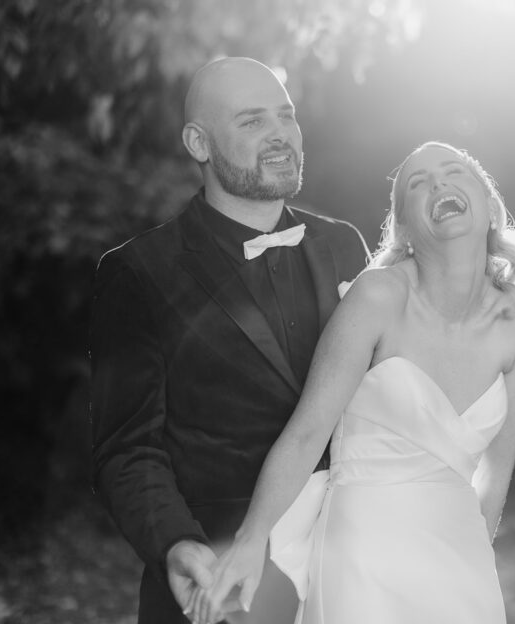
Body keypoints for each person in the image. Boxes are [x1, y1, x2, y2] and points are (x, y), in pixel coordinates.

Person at [190, 141, 515, 624]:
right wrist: (251, 541)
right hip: (362, 549)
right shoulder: (377, 297)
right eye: (418, 183)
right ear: (406, 231)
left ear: (489, 209)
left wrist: (474, 568)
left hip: (459, 560)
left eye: (454, 172)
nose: (439, 183)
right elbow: (306, 431)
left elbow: (496, 472)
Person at [89, 57, 369, 624]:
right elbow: (127, 447)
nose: (280, 135)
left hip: (351, 567)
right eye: (251, 122)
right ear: (199, 142)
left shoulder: (344, 247)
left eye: (285, 116)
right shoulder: (139, 272)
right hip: (219, 578)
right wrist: (175, 543)